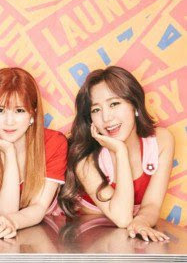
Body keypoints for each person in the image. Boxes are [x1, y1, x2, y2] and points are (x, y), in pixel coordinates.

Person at [58, 66, 173, 242]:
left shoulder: (161, 141)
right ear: (90, 119)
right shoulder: (85, 159)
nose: (106, 118)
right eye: (96, 110)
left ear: (135, 105)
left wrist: (141, 221)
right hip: (89, 240)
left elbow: (152, 204)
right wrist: (120, 151)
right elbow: (123, 218)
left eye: (114, 104)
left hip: (129, 239)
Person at [0, 67, 68, 239]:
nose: (9, 121)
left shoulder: (53, 143)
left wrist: (12, 222)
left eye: (19, 110)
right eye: (0, 110)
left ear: (32, 114)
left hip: (41, 237)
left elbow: (38, 207)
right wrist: (9, 151)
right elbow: (6, 211)